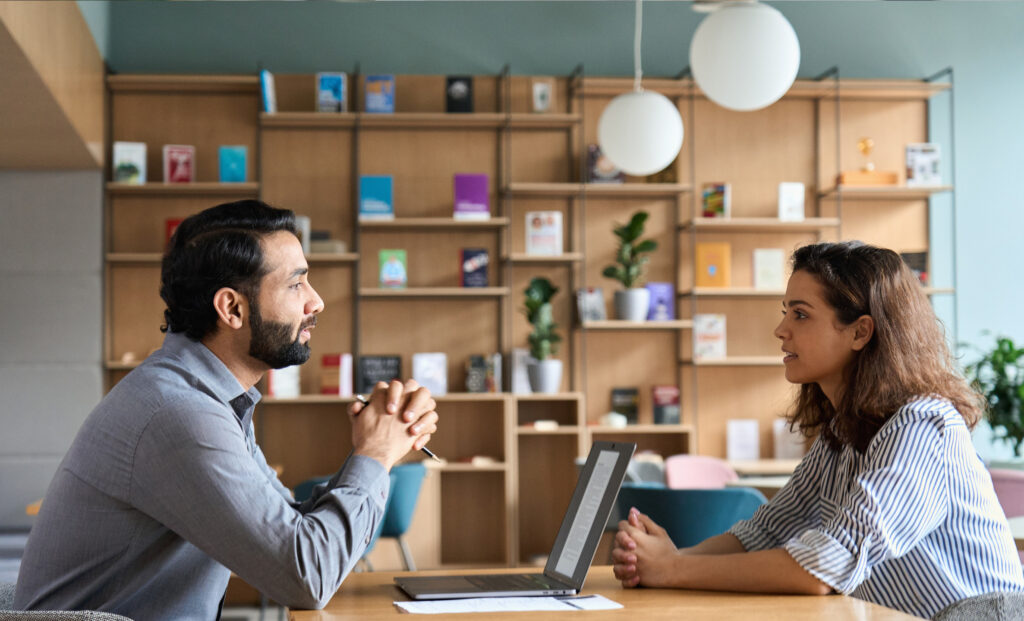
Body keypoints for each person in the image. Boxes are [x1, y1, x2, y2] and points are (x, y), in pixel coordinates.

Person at [15, 200, 439, 619]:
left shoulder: (205, 398)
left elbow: (290, 532)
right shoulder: (178, 413)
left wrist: (372, 446)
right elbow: (306, 578)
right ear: (232, 308)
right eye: (296, 285)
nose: (316, 302)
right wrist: (375, 455)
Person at [612, 241, 1024, 618]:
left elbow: (824, 566)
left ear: (861, 331)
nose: (781, 330)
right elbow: (765, 533)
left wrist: (673, 569)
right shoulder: (841, 435)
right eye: (785, 312)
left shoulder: (924, 426)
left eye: (801, 314)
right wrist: (665, 558)